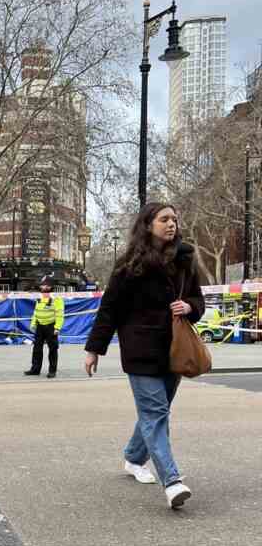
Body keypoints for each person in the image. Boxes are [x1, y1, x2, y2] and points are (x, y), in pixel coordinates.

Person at [84, 203, 204, 510]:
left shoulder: (186, 260)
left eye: (175, 219)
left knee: (156, 411)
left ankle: (134, 457)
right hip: (140, 349)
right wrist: (94, 348)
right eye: (164, 219)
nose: (171, 224)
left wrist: (189, 307)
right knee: (155, 413)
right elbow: (109, 308)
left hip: (174, 349)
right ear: (148, 224)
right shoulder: (129, 264)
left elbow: (198, 301)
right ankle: (172, 481)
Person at [25, 275, 65, 378]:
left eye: (46, 285)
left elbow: (60, 314)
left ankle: (52, 371)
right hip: (40, 326)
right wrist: (33, 323)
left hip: (51, 326)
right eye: (42, 285)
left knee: (53, 349)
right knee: (37, 349)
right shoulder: (39, 297)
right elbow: (36, 311)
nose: (44, 287)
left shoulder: (56, 298)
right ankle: (35, 369)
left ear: (51, 286)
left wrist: (57, 328)